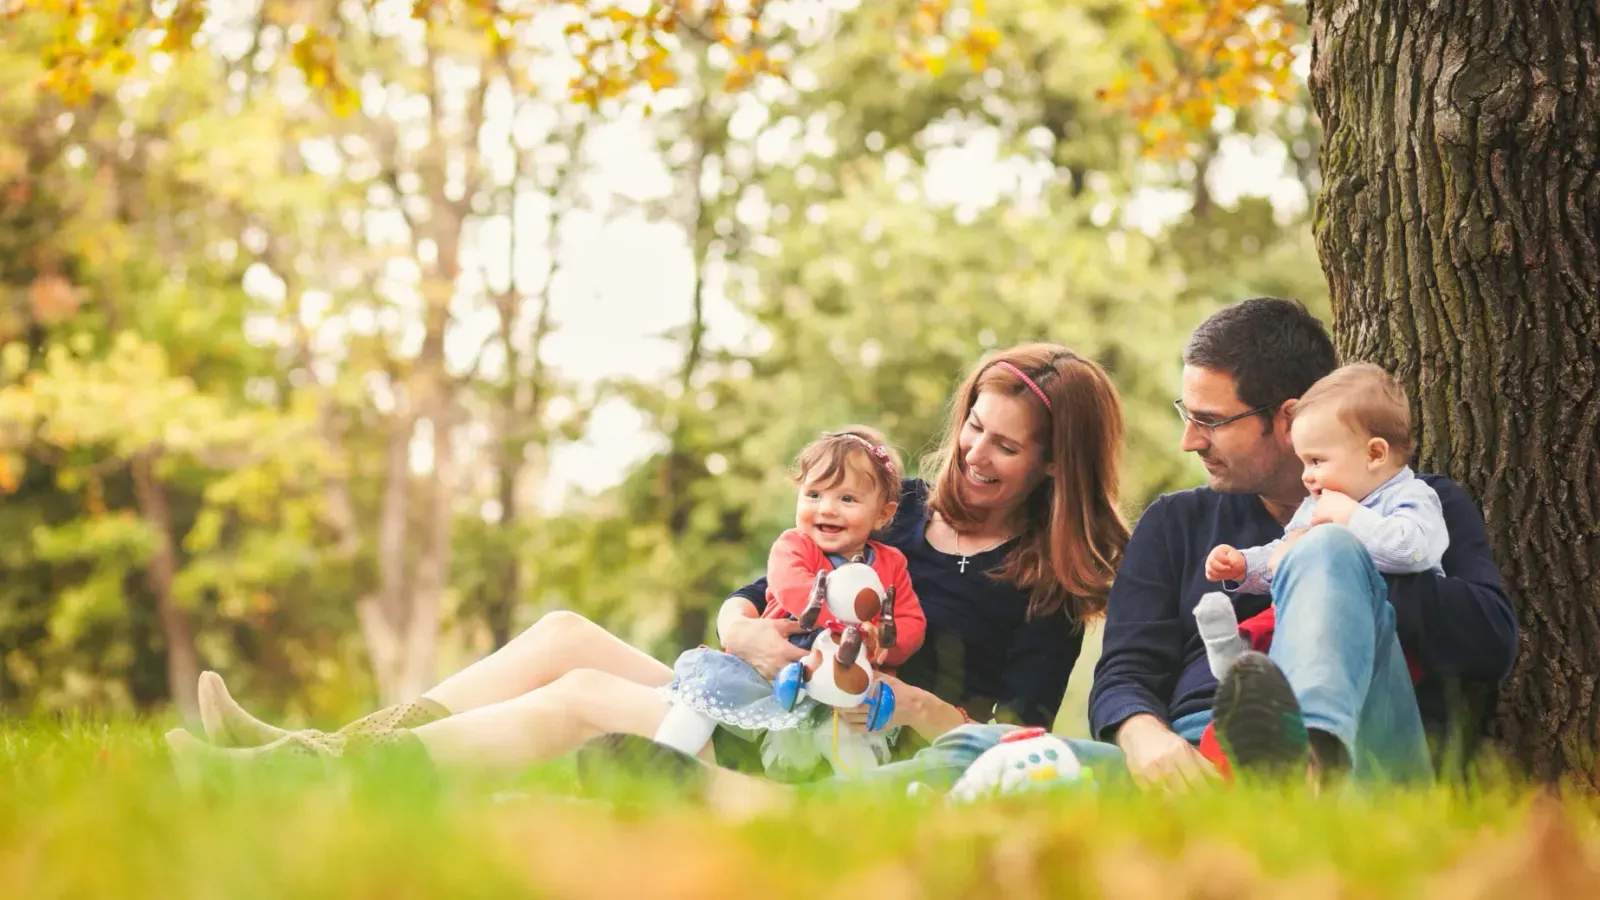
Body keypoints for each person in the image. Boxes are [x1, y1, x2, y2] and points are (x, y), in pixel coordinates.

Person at [166, 344, 1131, 784]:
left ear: (1055, 465)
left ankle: (303, 777)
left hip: (827, 757)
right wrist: (748, 633)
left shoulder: (1046, 590)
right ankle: (323, 747)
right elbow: (749, 601)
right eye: (974, 426)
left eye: (1007, 446)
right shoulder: (896, 505)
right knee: (561, 633)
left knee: (582, 692)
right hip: (755, 696)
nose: (975, 452)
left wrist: (886, 693)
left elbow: (1007, 742)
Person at [1089, 297, 1516, 788]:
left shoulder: (1412, 507)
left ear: (1288, 420)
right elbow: (1124, 672)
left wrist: (1344, 568)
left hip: (1361, 755)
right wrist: (1148, 741)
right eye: (1188, 414)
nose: (1190, 440)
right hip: (1196, 754)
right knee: (1018, 758)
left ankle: (1306, 759)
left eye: (1211, 421)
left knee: (1327, 548)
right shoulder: (1175, 522)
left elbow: (1491, 644)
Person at [651, 427, 926, 779]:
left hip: (841, 685)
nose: (827, 509)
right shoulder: (794, 546)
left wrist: (884, 642)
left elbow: (911, 621)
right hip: (770, 672)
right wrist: (846, 625)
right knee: (707, 693)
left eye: (847, 499)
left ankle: (869, 794)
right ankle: (664, 758)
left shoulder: (892, 564)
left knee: (848, 738)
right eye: (814, 494)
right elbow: (790, 586)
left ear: (883, 514)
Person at [1196, 362, 1449, 680]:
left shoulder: (1409, 496)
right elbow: (1285, 555)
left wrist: (1351, 519)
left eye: (1316, 461)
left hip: (1387, 631)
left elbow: (1414, 551)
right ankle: (1238, 658)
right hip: (1320, 618)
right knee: (1277, 618)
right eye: (1303, 462)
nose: (1306, 476)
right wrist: (1245, 566)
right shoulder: (1316, 504)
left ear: (1374, 454)